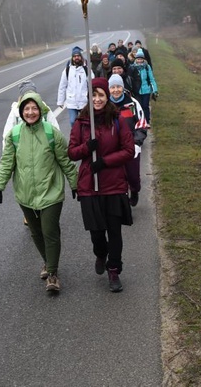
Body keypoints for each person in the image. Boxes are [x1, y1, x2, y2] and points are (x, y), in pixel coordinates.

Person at [0, 91, 78, 293]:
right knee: (36, 232)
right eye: (26, 109)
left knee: (50, 231)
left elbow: (65, 161)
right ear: (21, 112)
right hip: (26, 194)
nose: (30, 112)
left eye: (34, 108)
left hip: (51, 192)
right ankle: (48, 263)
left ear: (40, 110)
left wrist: (75, 184)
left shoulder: (51, 133)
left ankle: (53, 274)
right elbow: (6, 163)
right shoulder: (13, 135)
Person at [68, 77, 135, 293]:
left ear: (108, 98)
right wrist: (87, 148)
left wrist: (105, 161)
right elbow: (71, 152)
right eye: (93, 95)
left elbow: (128, 150)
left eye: (101, 95)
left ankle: (114, 269)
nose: (97, 99)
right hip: (90, 186)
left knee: (114, 231)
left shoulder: (117, 120)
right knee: (97, 232)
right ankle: (100, 253)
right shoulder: (81, 122)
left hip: (113, 184)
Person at [2, 80, 61, 227]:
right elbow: (7, 136)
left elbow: (56, 131)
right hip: (23, 157)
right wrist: (9, 156)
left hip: (43, 157)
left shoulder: (44, 110)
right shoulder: (15, 113)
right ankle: (29, 214)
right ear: (20, 98)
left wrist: (55, 153)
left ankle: (46, 212)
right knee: (26, 186)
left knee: (45, 184)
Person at [108, 74, 148, 207]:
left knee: (133, 177)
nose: (116, 90)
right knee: (118, 178)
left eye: (118, 87)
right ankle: (123, 202)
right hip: (113, 148)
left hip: (131, 147)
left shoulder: (132, 103)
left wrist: (136, 143)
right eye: (112, 87)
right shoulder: (105, 105)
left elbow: (141, 125)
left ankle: (135, 190)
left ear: (123, 87)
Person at [57, 46, 92, 126]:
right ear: (72, 58)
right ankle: (75, 136)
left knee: (86, 121)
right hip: (71, 101)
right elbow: (62, 86)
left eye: (78, 56)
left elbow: (92, 83)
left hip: (84, 101)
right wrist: (60, 101)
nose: (76, 58)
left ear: (81, 57)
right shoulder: (67, 70)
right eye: (75, 56)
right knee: (73, 121)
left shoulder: (86, 70)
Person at [133, 50, 159, 126]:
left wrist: (155, 90)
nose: (140, 60)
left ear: (143, 59)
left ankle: (147, 121)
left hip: (146, 90)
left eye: (141, 59)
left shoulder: (147, 67)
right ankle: (140, 121)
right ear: (136, 59)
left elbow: (151, 79)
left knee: (145, 106)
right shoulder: (132, 67)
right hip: (137, 91)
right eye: (138, 59)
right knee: (139, 106)